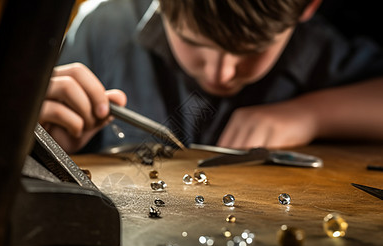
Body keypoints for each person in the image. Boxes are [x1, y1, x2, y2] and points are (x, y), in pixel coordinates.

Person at [39, 0, 383, 154]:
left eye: (252, 49)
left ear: (307, 7)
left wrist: (310, 116)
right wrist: (42, 140)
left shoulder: (318, 48)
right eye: (192, 42)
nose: (222, 73)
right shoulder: (103, 29)